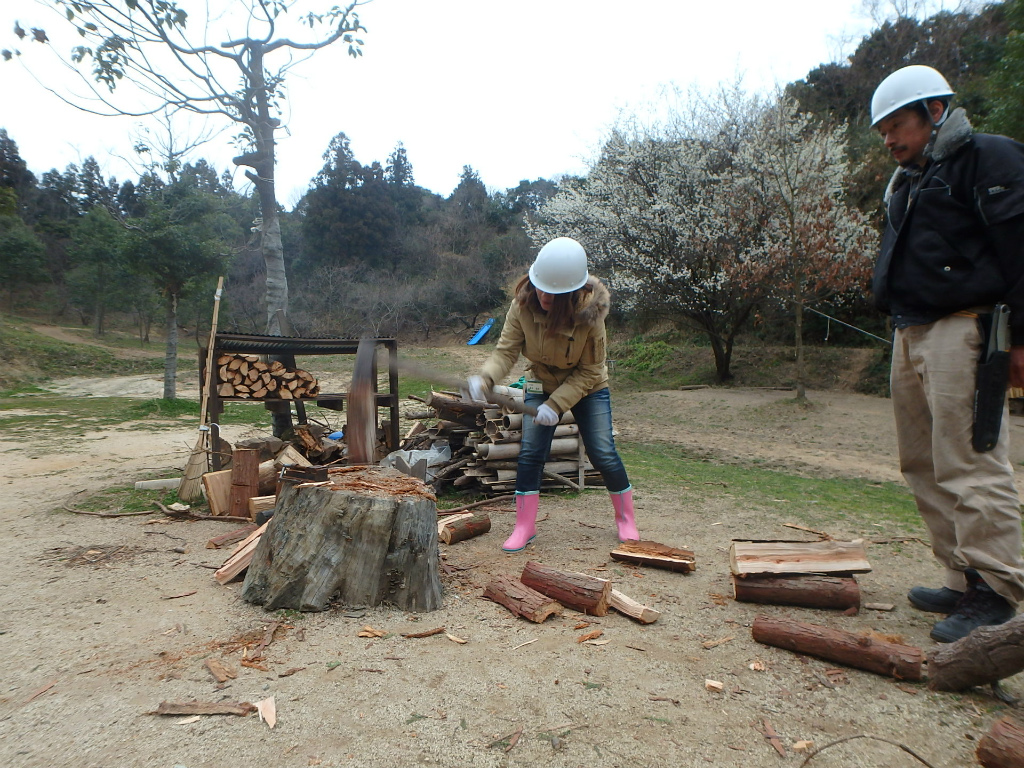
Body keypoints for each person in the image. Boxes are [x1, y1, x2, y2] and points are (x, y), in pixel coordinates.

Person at [870, 64, 1024, 642]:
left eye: (897, 125)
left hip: (966, 328)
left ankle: (996, 588)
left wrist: (1020, 339)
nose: (889, 139)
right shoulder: (908, 180)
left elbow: (1020, 249)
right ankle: (961, 579)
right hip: (909, 329)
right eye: (883, 131)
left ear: (935, 111)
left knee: (970, 461)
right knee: (922, 462)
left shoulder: (990, 158)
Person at [467, 236, 639, 552]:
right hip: (541, 382)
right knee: (531, 453)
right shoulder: (522, 306)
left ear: (572, 293)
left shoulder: (591, 315)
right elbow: (506, 352)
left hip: (588, 387)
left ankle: (626, 519)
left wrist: (556, 405)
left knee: (602, 452)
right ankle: (524, 526)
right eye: (541, 287)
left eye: (554, 292)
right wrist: (486, 378)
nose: (544, 295)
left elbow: (590, 370)